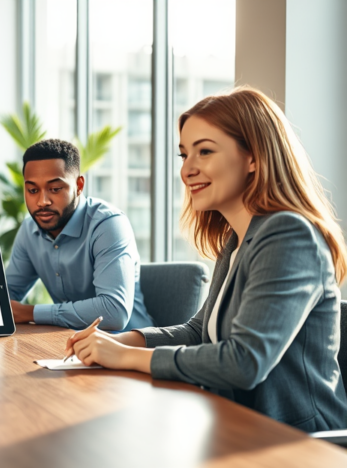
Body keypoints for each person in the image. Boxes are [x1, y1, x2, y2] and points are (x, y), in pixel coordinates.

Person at [65, 86, 347, 431]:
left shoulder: (289, 235)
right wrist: (120, 341)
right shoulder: (239, 238)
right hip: (235, 427)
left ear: (254, 157)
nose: (187, 171)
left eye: (205, 151)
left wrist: (126, 357)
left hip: (298, 442)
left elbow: (245, 362)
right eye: (185, 155)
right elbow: (200, 331)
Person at [6, 139, 154, 331]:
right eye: (33, 190)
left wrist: (30, 312)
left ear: (79, 185)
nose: (42, 201)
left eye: (55, 189)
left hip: (127, 348)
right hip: (69, 349)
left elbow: (113, 312)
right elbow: (5, 296)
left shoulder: (108, 224)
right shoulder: (29, 230)